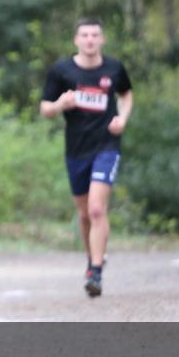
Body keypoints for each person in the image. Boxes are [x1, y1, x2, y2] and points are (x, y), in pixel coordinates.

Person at [40, 17, 133, 297]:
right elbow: (45, 109)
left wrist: (122, 118)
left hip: (107, 145)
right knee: (84, 213)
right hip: (76, 150)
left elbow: (126, 94)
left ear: (102, 39)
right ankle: (93, 255)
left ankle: (95, 271)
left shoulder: (114, 68)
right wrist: (60, 104)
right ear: (76, 40)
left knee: (96, 209)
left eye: (95, 35)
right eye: (85, 35)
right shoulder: (62, 70)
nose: (90, 40)